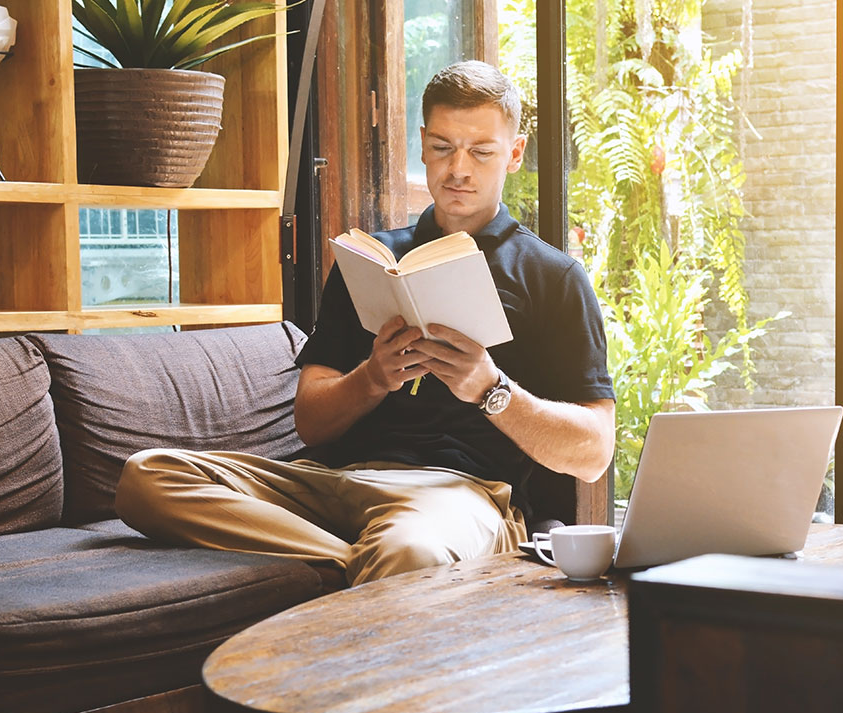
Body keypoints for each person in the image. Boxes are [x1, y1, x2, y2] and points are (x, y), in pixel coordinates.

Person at [115, 60, 616, 586]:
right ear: (422, 143)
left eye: (482, 151)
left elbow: (593, 453)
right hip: (335, 484)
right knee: (148, 477)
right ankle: (354, 561)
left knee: (411, 549)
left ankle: (376, 561)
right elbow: (311, 421)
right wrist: (374, 376)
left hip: (459, 493)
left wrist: (490, 389)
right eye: (443, 147)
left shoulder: (553, 277)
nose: (458, 169)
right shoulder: (371, 260)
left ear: (514, 154)